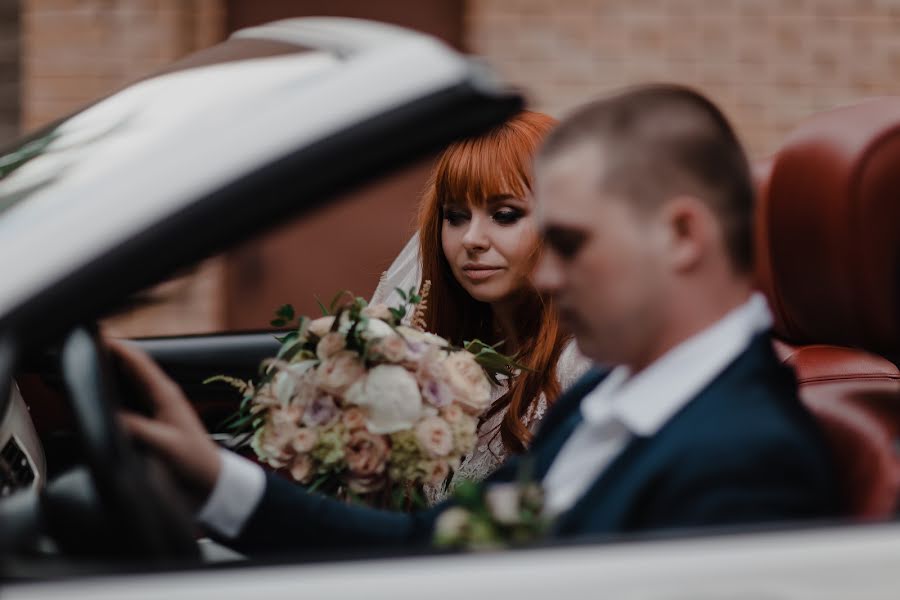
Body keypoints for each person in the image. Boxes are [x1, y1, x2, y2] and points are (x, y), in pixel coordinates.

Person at [115, 84, 839, 556]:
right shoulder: (604, 397)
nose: (546, 276)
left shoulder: (749, 462)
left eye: (571, 243)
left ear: (683, 236)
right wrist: (215, 479)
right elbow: (440, 546)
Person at [369, 111, 589, 501]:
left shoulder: (581, 368)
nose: (472, 238)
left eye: (504, 215)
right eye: (455, 216)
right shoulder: (423, 353)